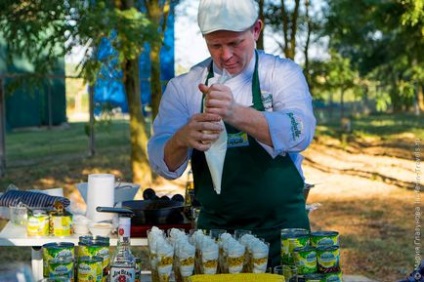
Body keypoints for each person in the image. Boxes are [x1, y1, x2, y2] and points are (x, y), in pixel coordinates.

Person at [147, 0, 316, 268]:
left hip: (284, 233)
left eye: (235, 43)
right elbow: (162, 162)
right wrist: (181, 139)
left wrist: (235, 113)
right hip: (215, 241)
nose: (226, 55)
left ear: (256, 30)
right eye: (215, 45)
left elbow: (300, 131)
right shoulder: (185, 88)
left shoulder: (281, 74)